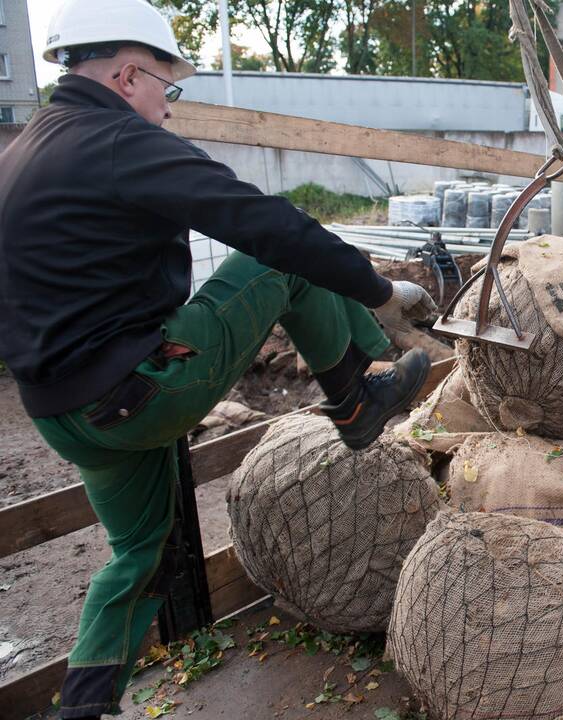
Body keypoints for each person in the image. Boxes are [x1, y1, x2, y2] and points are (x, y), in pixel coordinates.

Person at [0, 1, 437, 716]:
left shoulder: (23, 149)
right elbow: (265, 223)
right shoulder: (116, 140)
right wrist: (378, 288)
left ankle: (82, 707)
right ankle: (358, 400)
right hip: (138, 390)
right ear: (129, 73)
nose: (168, 112)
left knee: (139, 551)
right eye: (167, 91)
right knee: (281, 264)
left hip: (59, 409)